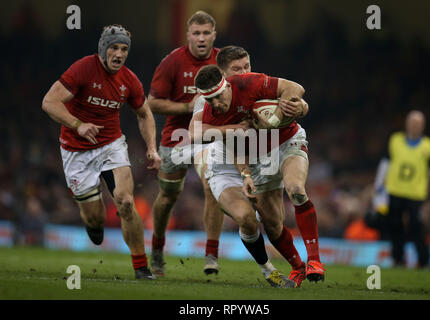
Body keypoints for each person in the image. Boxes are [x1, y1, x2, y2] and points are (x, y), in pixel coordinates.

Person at [190, 47, 324, 286]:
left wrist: (296, 105)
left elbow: (297, 92)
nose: (244, 72)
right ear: (223, 75)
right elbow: (198, 134)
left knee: (296, 189)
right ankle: (289, 268)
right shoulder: (208, 103)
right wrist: (244, 169)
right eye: (237, 69)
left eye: (246, 66)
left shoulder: (252, 83)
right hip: (240, 157)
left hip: (280, 145)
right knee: (269, 224)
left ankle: (314, 261)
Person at [42, 25, 161, 280]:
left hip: (111, 145)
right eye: (114, 48)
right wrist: (78, 125)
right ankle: (94, 226)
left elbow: (144, 114)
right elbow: (49, 102)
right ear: (103, 49)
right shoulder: (83, 69)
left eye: (124, 49)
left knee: (126, 201)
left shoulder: (129, 80)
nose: (119, 54)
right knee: (95, 220)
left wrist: (152, 147)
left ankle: (141, 268)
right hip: (76, 150)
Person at [147, 11, 224, 276]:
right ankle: (157, 248)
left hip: (209, 136)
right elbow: (153, 102)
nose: (201, 38)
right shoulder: (172, 62)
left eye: (206, 33)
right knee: (168, 196)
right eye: (196, 33)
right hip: (177, 137)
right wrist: (186, 106)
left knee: (213, 187)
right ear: (188, 35)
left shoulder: (224, 61)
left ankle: (211, 254)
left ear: (214, 35)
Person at [374, 110, 430, 267]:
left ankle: (424, 260)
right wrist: (379, 183)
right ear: (407, 124)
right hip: (395, 190)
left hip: (416, 193)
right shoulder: (395, 141)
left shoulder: (428, 145)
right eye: (412, 123)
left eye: (418, 123)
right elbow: (385, 162)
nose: (415, 126)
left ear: (423, 126)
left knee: (417, 226)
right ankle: (398, 259)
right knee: (395, 225)